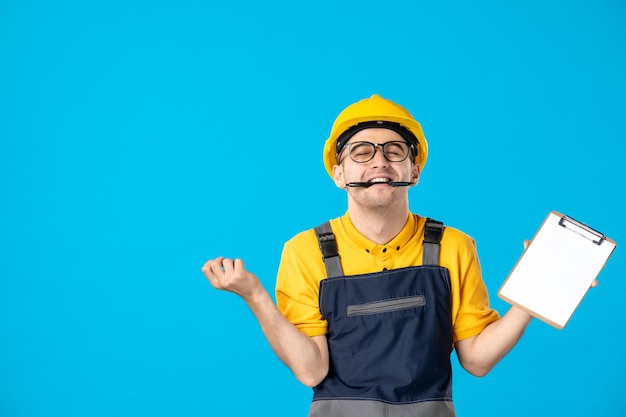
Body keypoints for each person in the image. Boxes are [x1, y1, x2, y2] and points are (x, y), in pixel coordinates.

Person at [202, 94, 535, 417]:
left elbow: (477, 360)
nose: (380, 162)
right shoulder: (304, 251)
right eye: (361, 152)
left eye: (394, 151)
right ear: (339, 175)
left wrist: (532, 298)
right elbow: (311, 371)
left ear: (414, 171)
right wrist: (255, 296)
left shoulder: (454, 246)